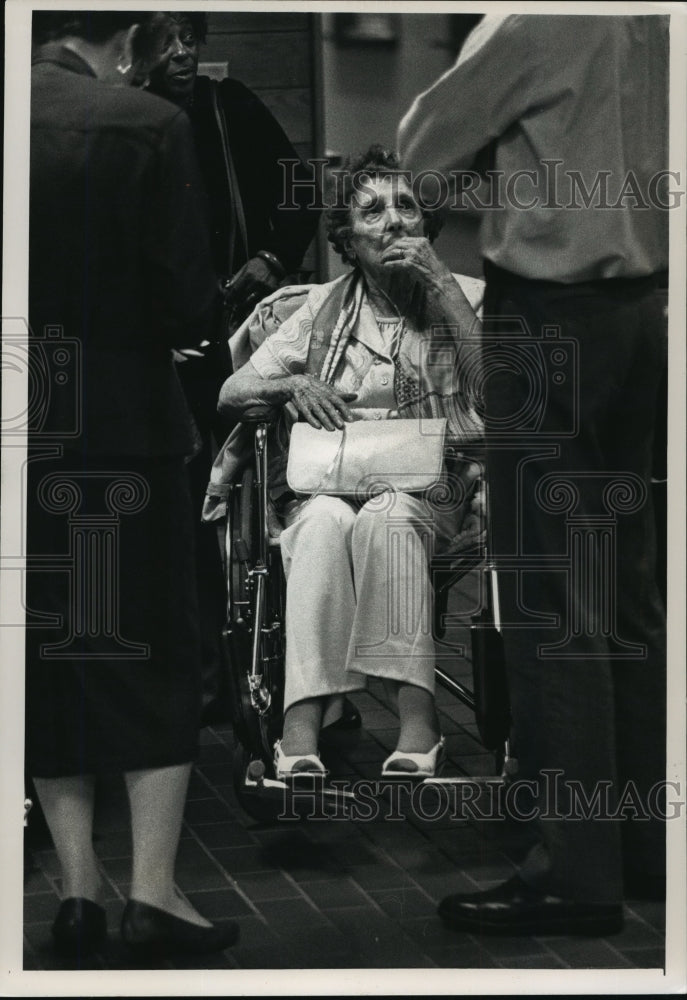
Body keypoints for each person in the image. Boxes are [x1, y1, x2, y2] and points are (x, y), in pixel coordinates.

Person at [399, 14, 668, 935]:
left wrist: (505, 173)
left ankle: (574, 871)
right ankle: (642, 847)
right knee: (622, 593)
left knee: (553, 605)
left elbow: (419, 161)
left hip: (550, 317)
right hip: (642, 313)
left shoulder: (528, 20)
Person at [27, 12, 237, 959]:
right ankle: (154, 893)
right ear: (126, 36)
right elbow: (187, 301)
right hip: (126, 423)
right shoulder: (146, 124)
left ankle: (75, 893)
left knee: (46, 656)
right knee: (152, 647)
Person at [214, 147, 485, 779]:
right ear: (347, 237)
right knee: (324, 525)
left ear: (428, 223)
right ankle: (299, 726)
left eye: (407, 207)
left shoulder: (467, 295)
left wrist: (443, 286)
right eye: (372, 211)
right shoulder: (320, 309)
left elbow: (508, 397)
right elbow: (230, 391)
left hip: (437, 490)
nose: (393, 221)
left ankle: (418, 719)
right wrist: (288, 388)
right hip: (331, 487)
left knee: (385, 517)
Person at [142, 11, 322, 723]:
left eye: (192, 39)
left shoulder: (229, 107)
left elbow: (298, 195)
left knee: (247, 493)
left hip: (236, 327)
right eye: (169, 41)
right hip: (170, 335)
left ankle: (247, 661)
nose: (183, 53)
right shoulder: (140, 120)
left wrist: (269, 260)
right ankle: (202, 667)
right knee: (189, 497)